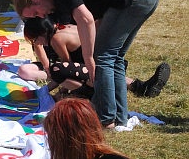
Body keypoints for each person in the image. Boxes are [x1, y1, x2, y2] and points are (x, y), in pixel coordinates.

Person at [14, 0, 159, 128]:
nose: (40, 16)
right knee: (115, 57)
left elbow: (86, 19)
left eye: (35, 13)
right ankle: (119, 117)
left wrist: (89, 57)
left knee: (103, 57)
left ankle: (105, 117)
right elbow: (96, 20)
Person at [19, 16, 170, 99]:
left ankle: (85, 92)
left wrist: (50, 91)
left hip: (93, 70)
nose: (36, 43)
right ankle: (141, 87)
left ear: (41, 34)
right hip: (104, 61)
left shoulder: (56, 39)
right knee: (102, 74)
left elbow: (66, 67)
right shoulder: (65, 27)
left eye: (34, 39)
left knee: (57, 69)